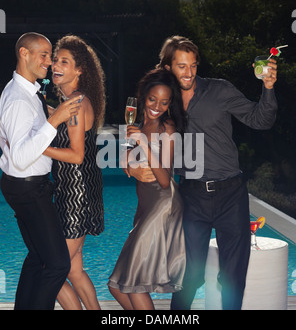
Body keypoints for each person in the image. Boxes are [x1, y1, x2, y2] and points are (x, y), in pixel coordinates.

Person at [154, 35, 278, 310]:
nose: (189, 73)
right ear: (168, 68)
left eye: (193, 66)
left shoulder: (220, 90)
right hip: (191, 196)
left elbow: (261, 119)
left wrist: (267, 88)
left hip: (230, 194)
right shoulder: (163, 102)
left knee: (234, 276)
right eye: (182, 66)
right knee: (188, 276)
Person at [0, 32, 82, 310]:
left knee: (37, 257)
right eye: (43, 55)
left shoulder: (27, 92)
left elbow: (14, 140)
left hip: (24, 185)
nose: (49, 62)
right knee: (58, 264)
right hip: (28, 187)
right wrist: (56, 119)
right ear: (24, 53)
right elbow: (22, 158)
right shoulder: (18, 99)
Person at [107, 69, 187, 310]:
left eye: (164, 102)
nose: (157, 106)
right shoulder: (138, 125)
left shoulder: (167, 128)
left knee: (135, 285)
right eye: (152, 99)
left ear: (170, 104)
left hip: (163, 205)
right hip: (146, 206)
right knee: (116, 285)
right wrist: (128, 161)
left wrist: (143, 142)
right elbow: (130, 164)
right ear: (143, 97)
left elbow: (165, 179)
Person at [43, 35, 106, 310]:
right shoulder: (73, 101)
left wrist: (37, 148)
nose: (56, 65)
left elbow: (76, 155)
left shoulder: (77, 105)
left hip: (75, 198)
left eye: (64, 62)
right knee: (73, 270)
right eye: (55, 60)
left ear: (79, 70)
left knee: (52, 271)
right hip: (79, 193)